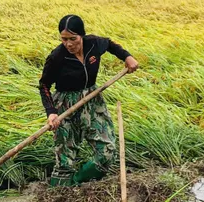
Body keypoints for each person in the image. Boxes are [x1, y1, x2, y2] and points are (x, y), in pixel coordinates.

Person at [38, 15, 139, 186]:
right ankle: (59, 190)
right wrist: (51, 112)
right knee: (65, 157)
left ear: (82, 36)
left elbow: (110, 44)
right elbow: (44, 85)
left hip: (92, 100)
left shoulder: (94, 44)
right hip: (65, 104)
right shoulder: (57, 57)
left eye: (73, 39)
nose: (69, 44)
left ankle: (78, 181)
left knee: (107, 151)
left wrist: (127, 57)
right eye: (64, 39)